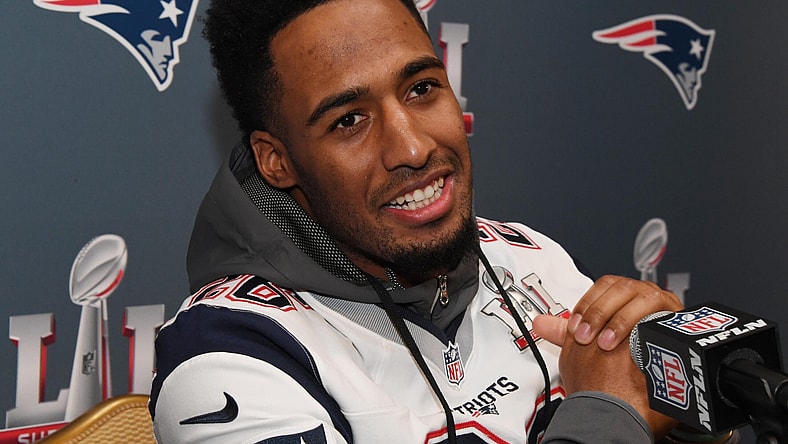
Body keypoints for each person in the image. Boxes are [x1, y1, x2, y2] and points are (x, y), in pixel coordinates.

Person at [149, 0, 683, 442]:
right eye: (349, 120)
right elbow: (612, 411)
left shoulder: (532, 256)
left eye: (422, 88)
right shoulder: (227, 353)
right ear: (277, 160)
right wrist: (608, 412)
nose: (411, 146)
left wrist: (681, 407)